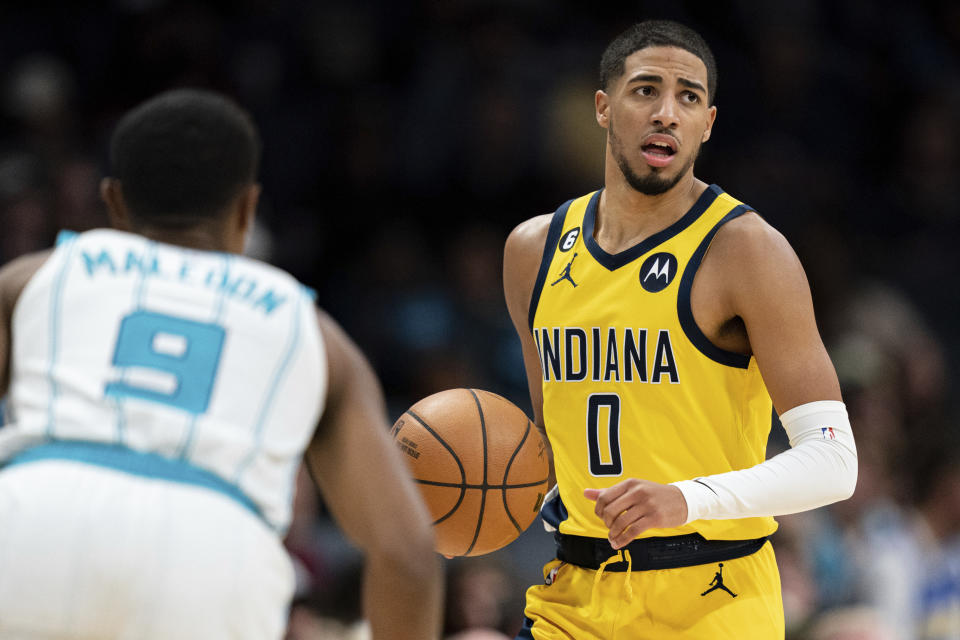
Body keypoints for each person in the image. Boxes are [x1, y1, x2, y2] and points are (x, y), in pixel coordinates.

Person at [0, 89, 442, 639]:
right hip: (215, 559)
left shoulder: (32, 279)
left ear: (113, 202)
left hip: (32, 523)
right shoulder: (313, 332)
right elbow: (408, 556)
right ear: (246, 210)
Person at [502, 20, 858, 639]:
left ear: (708, 123)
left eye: (688, 97)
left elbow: (834, 462)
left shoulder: (747, 252)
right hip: (574, 597)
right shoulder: (533, 250)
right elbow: (550, 445)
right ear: (604, 108)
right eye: (645, 91)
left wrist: (686, 499)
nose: (667, 112)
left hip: (712, 597)